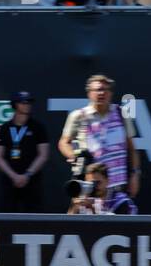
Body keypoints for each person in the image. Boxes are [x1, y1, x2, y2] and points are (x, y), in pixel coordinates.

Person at [58, 73, 140, 214]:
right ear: (89, 93)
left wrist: (135, 174)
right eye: (97, 90)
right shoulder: (79, 116)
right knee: (78, 225)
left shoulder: (121, 113)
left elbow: (132, 149)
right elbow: (63, 143)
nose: (101, 93)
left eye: (105, 90)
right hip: (90, 186)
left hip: (117, 187)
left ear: (111, 93)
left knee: (122, 227)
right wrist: (74, 157)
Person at [0, 91, 50, 212]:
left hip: (32, 179)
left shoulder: (38, 127)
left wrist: (27, 175)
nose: (27, 105)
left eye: (29, 102)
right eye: (23, 102)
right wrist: (13, 176)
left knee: (34, 215)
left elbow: (43, 155)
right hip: (10, 180)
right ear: (15, 105)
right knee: (8, 215)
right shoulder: (5, 128)